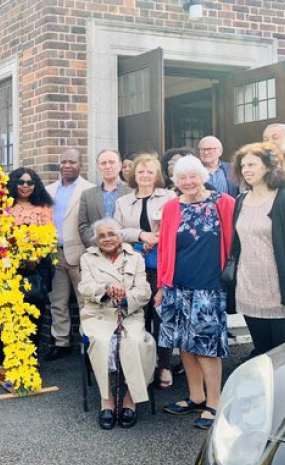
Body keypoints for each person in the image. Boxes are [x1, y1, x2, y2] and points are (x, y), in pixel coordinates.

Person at [156, 155, 234, 431]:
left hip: (209, 286)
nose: (188, 182)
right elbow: (165, 248)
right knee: (184, 344)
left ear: (204, 176)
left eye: (193, 176)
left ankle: (214, 401)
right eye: (182, 178)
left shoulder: (223, 203)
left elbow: (235, 242)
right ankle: (195, 395)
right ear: (175, 182)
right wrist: (162, 286)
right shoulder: (171, 207)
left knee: (207, 348)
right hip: (177, 286)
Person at [230, 142, 285, 356]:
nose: (247, 170)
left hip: (282, 297)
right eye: (243, 166)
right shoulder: (240, 200)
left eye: (252, 164)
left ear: (270, 167)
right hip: (249, 293)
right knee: (262, 355)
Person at [79, 219, 155, 430]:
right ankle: (107, 399)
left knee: (138, 343)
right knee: (102, 343)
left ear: (120, 236)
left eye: (111, 234)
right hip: (99, 314)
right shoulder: (87, 257)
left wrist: (125, 297)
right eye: (101, 236)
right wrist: (105, 287)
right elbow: (84, 286)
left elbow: (145, 290)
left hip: (128, 313)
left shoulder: (135, 257)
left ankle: (131, 397)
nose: (107, 239)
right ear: (96, 240)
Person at [113, 154, 176, 388]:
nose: (146, 175)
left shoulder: (169, 197)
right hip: (134, 269)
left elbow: (175, 225)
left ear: (157, 174)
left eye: (150, 171)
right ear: (133, 175)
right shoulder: (123, 202)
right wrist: (141, 235)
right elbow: (116, 232)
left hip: (162, 268)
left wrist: (156, 237)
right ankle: (142, 365)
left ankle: (164, 366)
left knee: (163, 318)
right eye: (141, 172)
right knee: (139, 318)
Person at [45, 148, 95, 360]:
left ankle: (88, 343)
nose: (67, 165)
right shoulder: (49, 190)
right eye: (63, 161)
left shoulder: (89, 190)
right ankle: (61, 342)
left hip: (79, 254)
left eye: (71, 162)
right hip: (54, 253)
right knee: (58, 301)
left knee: (85, 301)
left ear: (80, 165)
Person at [6, 166, 55, 305]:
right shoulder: (5, 207)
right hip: (10, 267)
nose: (25, 186)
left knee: (35, 311)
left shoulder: (43, 207)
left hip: (37, 267)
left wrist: (34, 257)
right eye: (21, 182)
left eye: (30, 183)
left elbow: (50, 236)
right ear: (14, 184)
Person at [78, 149, 132, 248]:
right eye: (103, 163)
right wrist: (98, 246)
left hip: (125, 251)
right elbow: (83, 226)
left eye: (111, 162)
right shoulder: (87, 195)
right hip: (96, 252)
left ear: (120, 165)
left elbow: (135, 224)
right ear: (98, 167)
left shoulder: (132, 192)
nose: (107, 166)